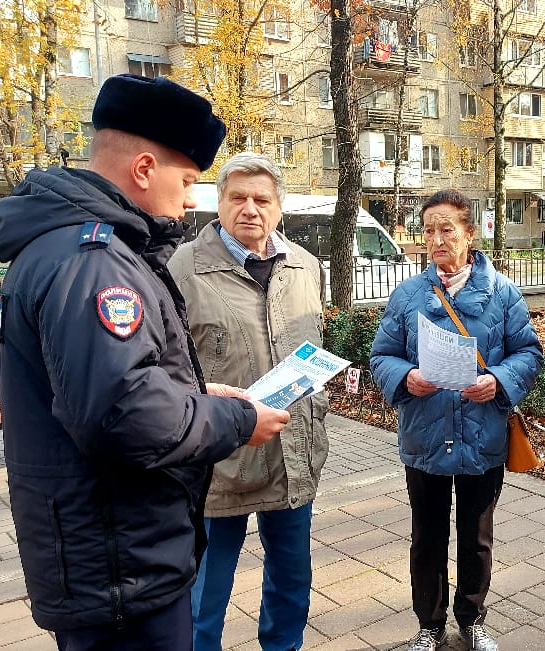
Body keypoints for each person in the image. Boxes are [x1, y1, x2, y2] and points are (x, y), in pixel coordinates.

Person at [0, 74, 291, 651]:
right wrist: (238, 421)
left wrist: (201, 399)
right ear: (144, 169)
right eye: (187, 179)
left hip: (113, 554)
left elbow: (123, 386)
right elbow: (125, 414)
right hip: (117, 566)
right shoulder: (93, 261)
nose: (190, 198)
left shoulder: (85, 247)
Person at [369, 189, 543, 651]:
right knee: (426, 537)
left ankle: (472, 619)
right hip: (425, 434)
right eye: (428, 230)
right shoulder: (408, 294)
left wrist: (500, 380)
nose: (437, 239)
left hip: (480, 434)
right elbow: (381, 354)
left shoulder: (503, 293)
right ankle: (429, 625)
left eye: (447, 229)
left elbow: (528, 351)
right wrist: (407, 377)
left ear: (471, 232)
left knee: (476, 538)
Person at [167, 152, 326, 650]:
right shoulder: (183, 267)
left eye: (262, 199)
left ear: (279, 208)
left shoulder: (305, 265)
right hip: (219, 460)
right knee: (204, 595)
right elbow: (165, 363)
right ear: (220, 203)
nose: (250, 209)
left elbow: (310, 345)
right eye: (239, 197)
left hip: (291, 451)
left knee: (292, 581)